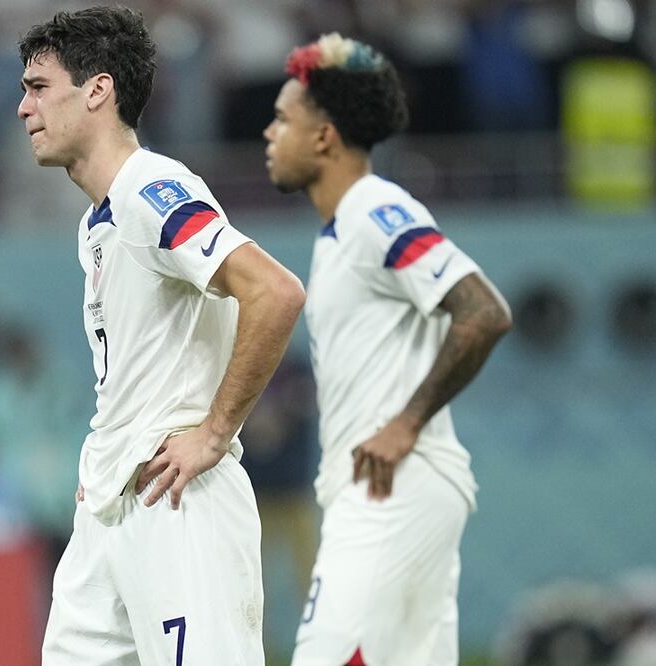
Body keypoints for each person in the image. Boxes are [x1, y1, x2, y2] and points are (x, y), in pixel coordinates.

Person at [17, 7, 306, 665]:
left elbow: (274, 291)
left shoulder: (153, 189)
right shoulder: (101, 217)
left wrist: (212, 433)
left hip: (178, 500)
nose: (22, 108)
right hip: (113, 502)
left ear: (97, 90)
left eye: (38, 86)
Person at [262, 34, 513, 666]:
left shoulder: (376, 210)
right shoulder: (339, 232)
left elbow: (484, 312)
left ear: (324, 137)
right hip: (385, 490)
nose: (269, 134)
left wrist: (405, 423)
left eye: (284, 119)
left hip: (391, 488)